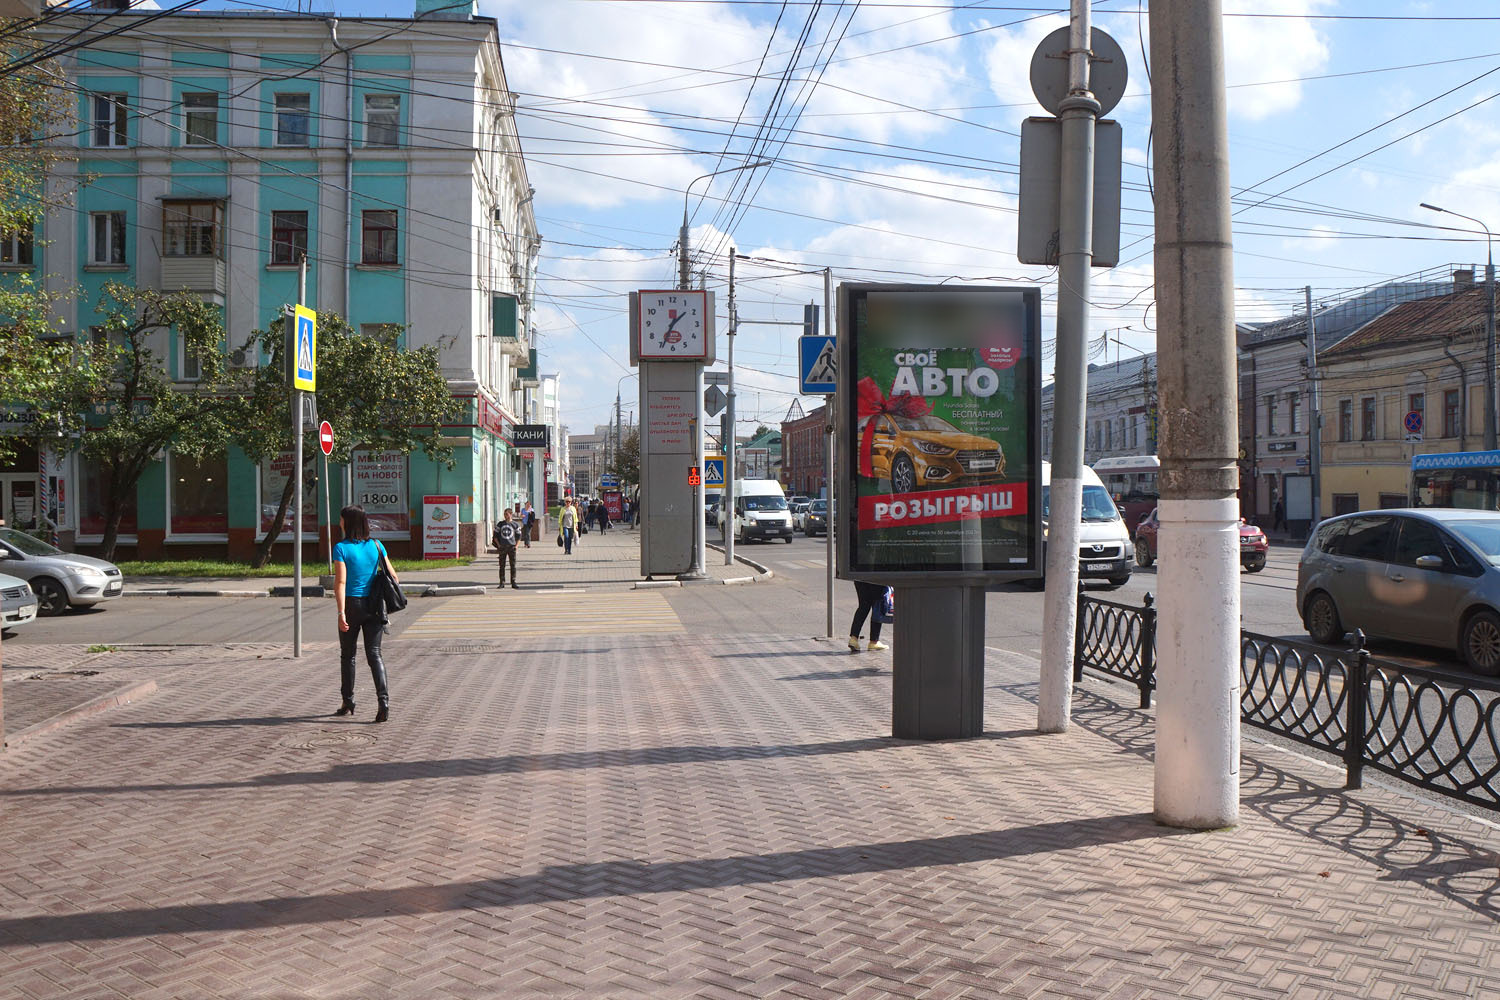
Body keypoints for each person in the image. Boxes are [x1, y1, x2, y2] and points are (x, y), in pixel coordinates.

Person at [333, 504, 397, 722]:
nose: (339, 522)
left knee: (348, 655)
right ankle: (383, 702)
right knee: (375, 654)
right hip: (375, 606)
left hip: (352, 605)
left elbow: (340, 582)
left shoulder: (341, 548)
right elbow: (394, 577)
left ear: (348, 523)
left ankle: (348, 701)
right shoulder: (377, 545)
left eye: (341, 519)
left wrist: (341, 612)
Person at [848, 580, 890, 652]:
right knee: (877, 607)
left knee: (863, 606)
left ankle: (853, 638)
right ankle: (874, 641)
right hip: (876, 577)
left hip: (859, 576)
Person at [493, 508, 520, 589]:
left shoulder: (515, 524)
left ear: (511, 514)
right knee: (502, 565)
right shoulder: (500, 524)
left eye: (507, 514)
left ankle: (513, 581)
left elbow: (519, 537)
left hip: (512, 547)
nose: (505, 516)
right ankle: (502, 582)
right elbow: (495, 536)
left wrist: (516, 546)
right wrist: (499, 545)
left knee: (513, 565)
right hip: (503, 547)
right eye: (504, 514)